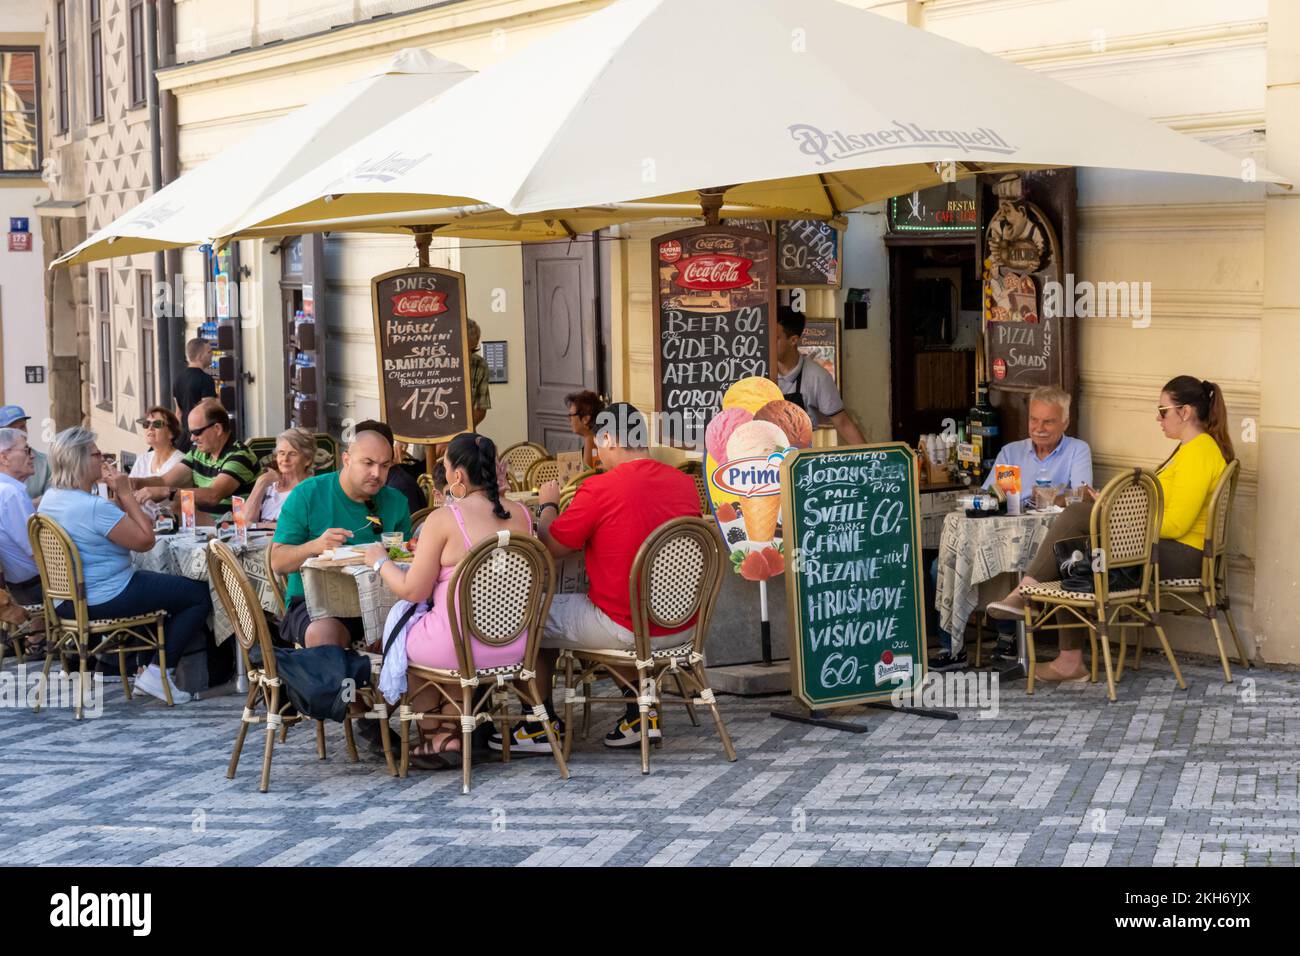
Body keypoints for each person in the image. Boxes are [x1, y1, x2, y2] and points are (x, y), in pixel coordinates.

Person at [985, 375, 1233, 682]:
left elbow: (1177, 523)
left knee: (1076, 522)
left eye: (1163, 410)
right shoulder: (1190, 449)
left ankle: (1029, 602)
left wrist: (1118, 518)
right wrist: (1115, 509)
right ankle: (1056, 642)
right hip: (1164, 550)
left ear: (1186, 412)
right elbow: (1162, 508)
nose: (1158, 417)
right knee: (1073, 548)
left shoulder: (1199, 451)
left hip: (1181, 555)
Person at [495, 402, 701, 754]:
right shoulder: (684, 484)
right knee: (613, 603)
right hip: (682, 627)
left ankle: (537, 724)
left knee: (529, 617)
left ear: (607, 438)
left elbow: (552, 545)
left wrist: (548, 505)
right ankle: (640, 715)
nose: (598, 457)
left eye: (599, 445)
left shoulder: (601, 488)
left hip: (626, 628)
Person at [364, 433, 533, 766]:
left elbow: (413, 590)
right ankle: (450, 731)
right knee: (435, 632)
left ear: (456, 476)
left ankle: (435, 735)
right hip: (514, 645)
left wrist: (379, 561)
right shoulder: (522, 515)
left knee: (404, 639)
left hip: (458, 645)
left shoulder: (444, 519)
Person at [37, 427, 212, 703]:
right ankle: (158, 672)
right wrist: (126, 492)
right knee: (198, 595)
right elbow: (146, 540)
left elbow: (119, 524)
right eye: (98, 455)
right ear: (81, 460)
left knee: (162, 586)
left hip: (66, 601)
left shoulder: (50, 499)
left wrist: (118, 496)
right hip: (107, 594)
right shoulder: (92, 507)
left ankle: (146, 665)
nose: (104, 460)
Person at [270, 422, 411, 650]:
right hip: (317, 604)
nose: (377, 473)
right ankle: (342, 683)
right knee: (324, 636)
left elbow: (407, 561)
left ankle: (380, 683)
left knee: (420, 631)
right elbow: (278, 562)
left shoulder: (396, 501)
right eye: (368, 463)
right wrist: (314, 546)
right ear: (346, 459)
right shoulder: (308, 494)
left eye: (385, 466)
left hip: (382, 601)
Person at [131, 401, 258, 519]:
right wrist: (130, 482)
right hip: (205, 530)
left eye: (197, 432)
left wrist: (166, 492)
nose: (192, 438)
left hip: (232, 532)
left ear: (218, 429)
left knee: (175, 506)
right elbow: (164, 480)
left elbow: (213, 495)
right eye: (191, 432)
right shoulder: (198, 452)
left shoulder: (240, 455)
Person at [982, 385, 1093, 504]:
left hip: (1055, 521)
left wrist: (1048, 500)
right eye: (1034, 419)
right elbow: (994, 497)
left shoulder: (1076, 449)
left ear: (1065, 423)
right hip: (1015, 520)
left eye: (1048, 422)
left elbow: (1085, 495)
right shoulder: (1011, 453)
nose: (1039, 428)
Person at [774, 306, 864, 444]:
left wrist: (872, 458)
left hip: (798, 458)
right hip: (758, 459)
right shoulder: (758, 372)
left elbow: (843, 422)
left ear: (793, 340)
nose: (768, 342)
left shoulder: (817, 376)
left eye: (775, 338)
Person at [0, 428, 42, 605]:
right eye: (26, 450)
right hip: (35, 588)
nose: (32, 456)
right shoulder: (10, 494)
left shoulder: (8, 490)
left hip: (20, 585)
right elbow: (37, 552)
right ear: (4, 457)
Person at [241, 427, 315, 526]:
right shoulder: (270, 487)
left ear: (308, 460)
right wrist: (261, 482)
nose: (285, 459)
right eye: (281, 453)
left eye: (293, 454)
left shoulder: (312, 489)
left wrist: (256, 526)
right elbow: (243, 523)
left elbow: (296, 527)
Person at [128, 406, 185, 521]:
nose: (150, 428)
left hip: (169, 526)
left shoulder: (180, 461)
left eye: (157, 424)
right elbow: (129, 493)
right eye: (146, 424)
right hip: (141, 523)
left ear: (171, 433)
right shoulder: (142, 459)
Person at [172, 337, 216, 450]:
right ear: (200, 356)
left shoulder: (178, 379)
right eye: (209, 352)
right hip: (202, 437)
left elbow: (178, 413)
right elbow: (210, 412)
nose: (212, 355)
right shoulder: (206, 380)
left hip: (186, 438)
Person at [0, 406, 51, 501]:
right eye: (12, 428)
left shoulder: (45, 462)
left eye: (22, 426)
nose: (20, 432)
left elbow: (52, 500)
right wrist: (31, 503)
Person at [566, 390, 605, 470]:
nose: (569, 419)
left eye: (571, 415)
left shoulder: (591, 439)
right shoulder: (599, 438)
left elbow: (586, 477)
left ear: (586, 419)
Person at [467, 319, 492, 428]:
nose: (468, 356)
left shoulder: (479, 364)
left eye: (472, 350)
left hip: (462, 437)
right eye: (462, 350)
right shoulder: (430, 364)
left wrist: (461, 435)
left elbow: (481, 409)